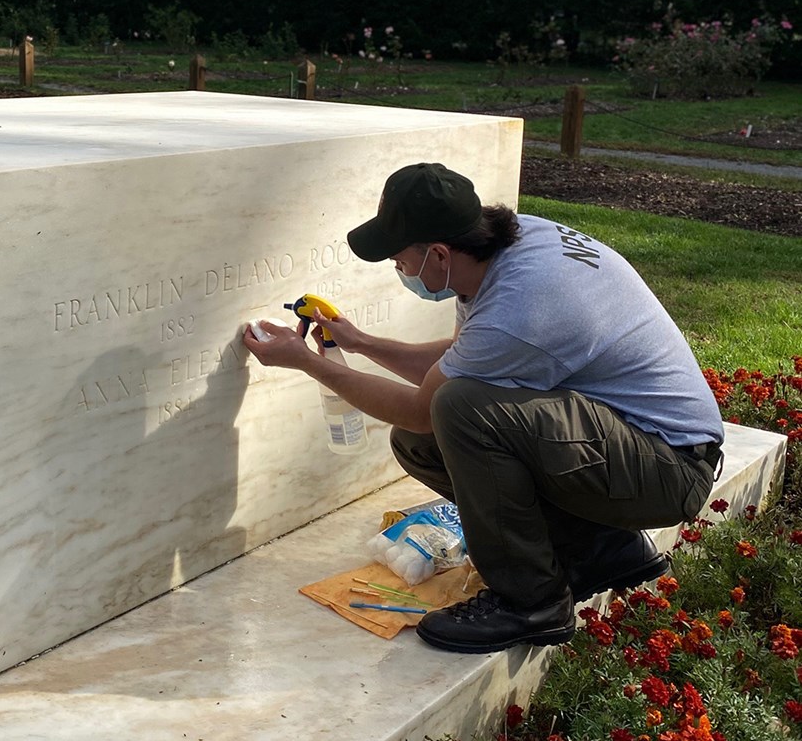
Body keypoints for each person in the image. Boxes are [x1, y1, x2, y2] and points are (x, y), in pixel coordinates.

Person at [243, 162, 723, 654]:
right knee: (422, 443)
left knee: (454, 412)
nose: (397, 269)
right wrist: (360, 342)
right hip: (634, 447)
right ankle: (603, 549)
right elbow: (465, 359)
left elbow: (424, 407)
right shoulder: (507, 248)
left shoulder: (523, 300)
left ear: (438, 254)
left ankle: (531, 603)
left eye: (398, 257)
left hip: (669, 468)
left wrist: (305, 362)